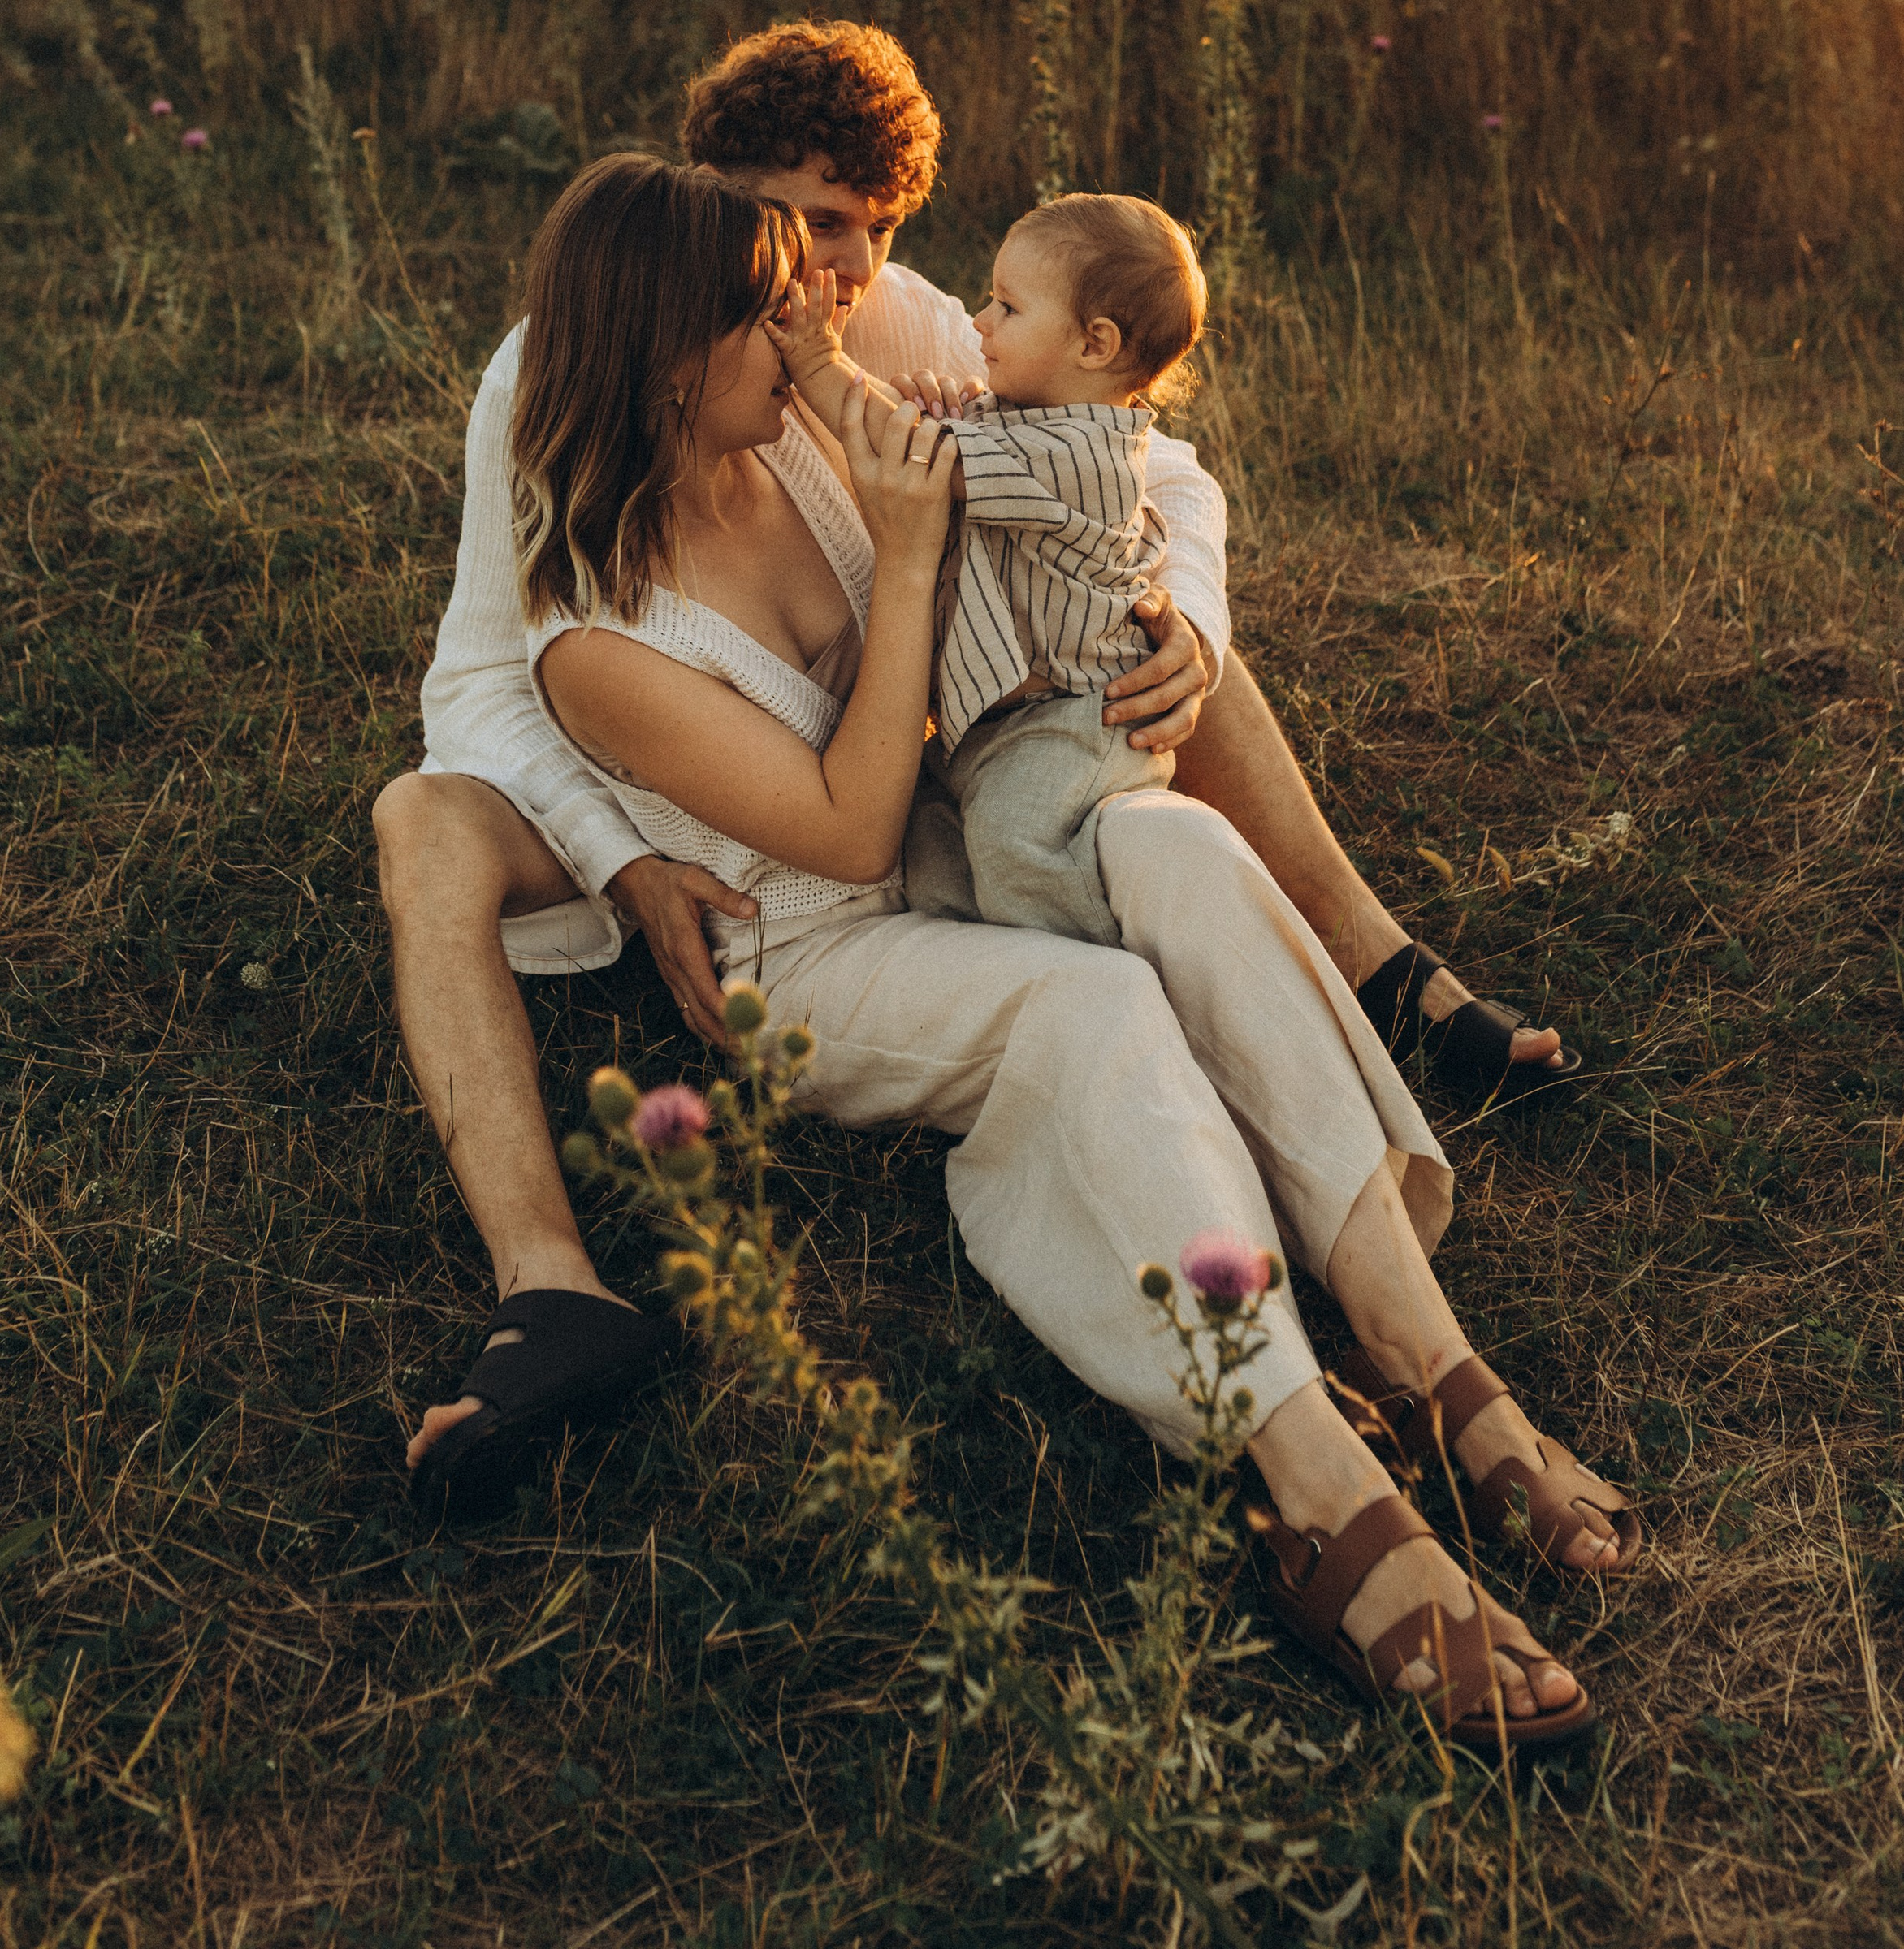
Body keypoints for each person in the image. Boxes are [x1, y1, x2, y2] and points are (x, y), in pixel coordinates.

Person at [407, 154, 1639, 1752]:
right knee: (1096, 1008)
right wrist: (913, 552)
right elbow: (843, 834)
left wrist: (1166, 604)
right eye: (764, 310)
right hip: (813, 953)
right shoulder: (592, 635)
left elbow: (1127, 452)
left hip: (963, 838)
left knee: (1176, 842)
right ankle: (1314, 1486)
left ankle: (1438, 1363)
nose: (807, 330)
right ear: (663, 351)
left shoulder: (793, 431)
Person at [774, 191, 1209, 944]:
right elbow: (940, 432)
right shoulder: (1022, 415)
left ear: (1095, 344)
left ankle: (1099, 980)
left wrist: (820, 360)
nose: (980, 320)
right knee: (933, 864)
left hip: (1073, 718)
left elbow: (903, 448)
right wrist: (940, 409)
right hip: (981, 725)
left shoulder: (1083, 453)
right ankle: (985, 974)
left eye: (1007, 307)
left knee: (1015, 850)